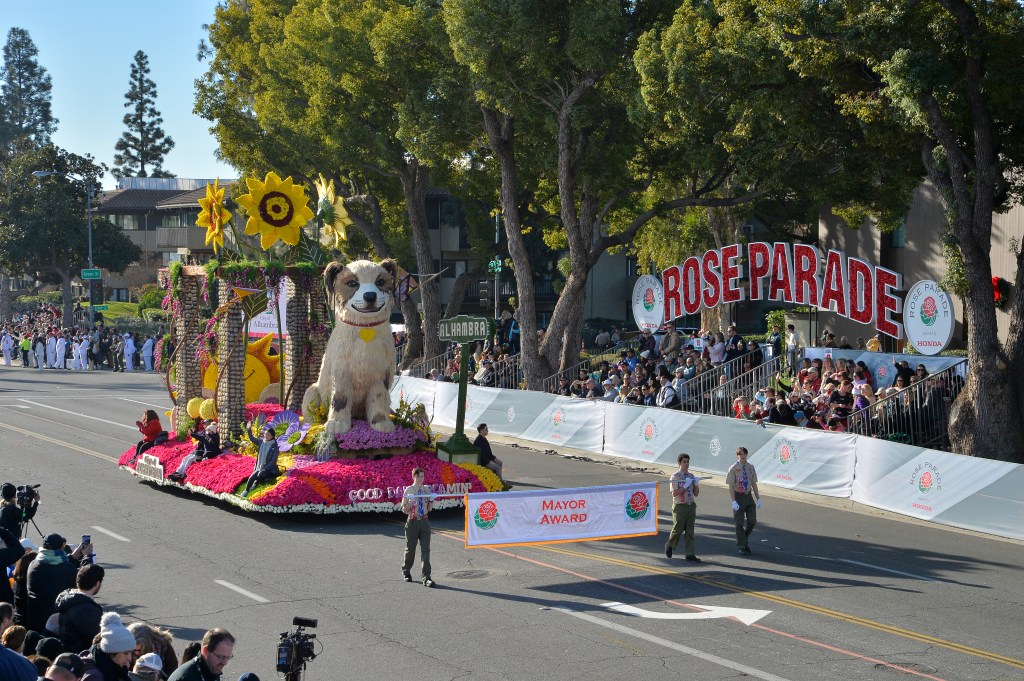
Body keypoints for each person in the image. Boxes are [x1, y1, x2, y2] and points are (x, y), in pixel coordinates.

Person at [26, 534, 91, 634]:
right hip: (55, 623)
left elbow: (53, 564)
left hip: (34, 619)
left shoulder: (33, 564)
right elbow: (84, 583)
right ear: (61, 548)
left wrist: (72, 556)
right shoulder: (66, 569)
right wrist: (87, 557)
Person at [55, 564, 105, 655]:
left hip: (67, 653)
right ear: (97, 583)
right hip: (82, 656)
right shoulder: (87, 610)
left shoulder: (67, 598)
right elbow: (97, 639)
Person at [400, 468, 435, 587]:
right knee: (410, 548)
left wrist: (431, 500)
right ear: (413, 477)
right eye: (418, 476)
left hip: (424, 521)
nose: (420, 479)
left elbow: (429, 509)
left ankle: (427, 577)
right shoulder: (409, 490)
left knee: (426, 550)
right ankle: (406, 571)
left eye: (422, 476)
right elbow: (404, 510)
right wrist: (410, 501)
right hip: (412, 522)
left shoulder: (426, 490)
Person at [664, 453, 701, 563]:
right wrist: (685, 486)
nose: (686, 464)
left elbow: (696, 493)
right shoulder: (675, 477)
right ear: (679, 463)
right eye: (684, 462)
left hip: (690, 505)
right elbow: (674, 493)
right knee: (678, 528)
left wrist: (696, 484)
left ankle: (690, 553)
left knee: (690, 531)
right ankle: (670, 544)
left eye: (687, 462)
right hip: (680, 506)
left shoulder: (691, 476)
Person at [79, 612, 135, 681]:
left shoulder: (114, 667)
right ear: (111, 651)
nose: (130, 659)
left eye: (131, 653)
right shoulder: (95, 677)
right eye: (126, 653)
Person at [726, 447, 761, 555]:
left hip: (748, 496)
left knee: (752, 521)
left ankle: (743, 540)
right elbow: (731, 486)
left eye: (744, 454)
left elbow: (754, 484)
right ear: (737, 455)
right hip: (738, 496)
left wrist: (758, 498)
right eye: (740, 454)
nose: (743, 456)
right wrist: (733, 501)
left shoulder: (750, 467)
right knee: (739, 523)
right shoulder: (733, 468)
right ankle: (741, 546)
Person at [167, 628, 234, 681]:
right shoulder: (186, 678)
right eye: (221, 657)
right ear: (205, 651)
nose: (225, 662)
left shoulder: (212, 668)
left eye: (228, 657)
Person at [240, 417, 280, 497]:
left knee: (260, 474)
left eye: (268, 435)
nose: (266, 436)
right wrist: (249, 429)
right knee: (252, 477)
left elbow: (273, 461)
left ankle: (258, 482)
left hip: (270, 469)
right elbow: (252, 439)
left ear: (272, 436)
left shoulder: (274, 446)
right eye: (265, 434)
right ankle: (246, 490)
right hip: (260, 466)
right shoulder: (261, 442)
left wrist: (265, 468)